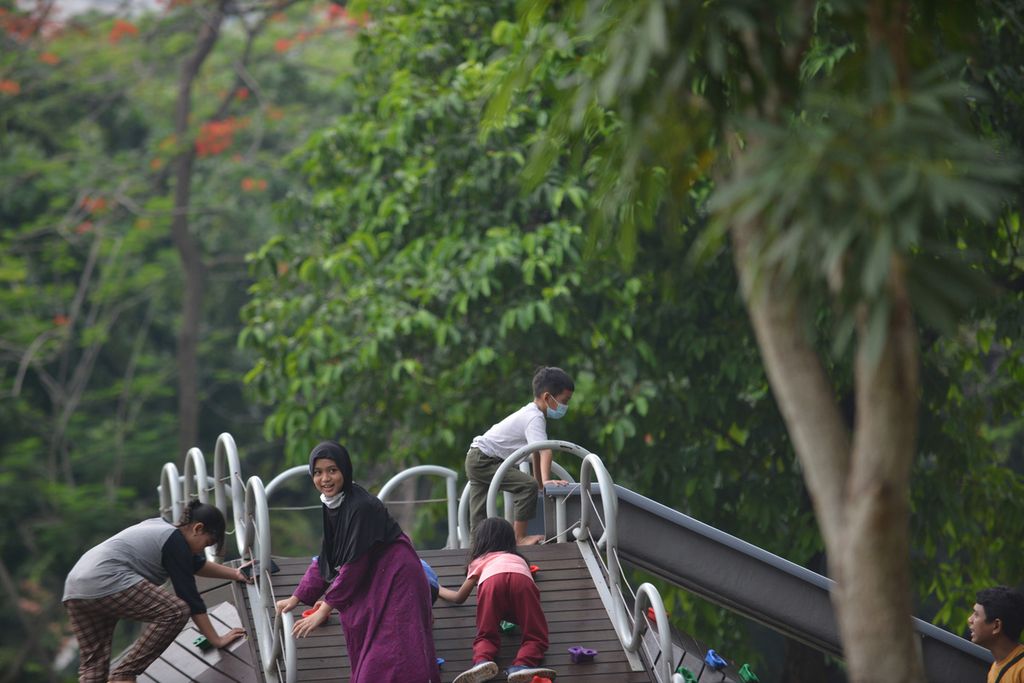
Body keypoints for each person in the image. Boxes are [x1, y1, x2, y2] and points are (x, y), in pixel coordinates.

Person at [275, 440, 440, 683]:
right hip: (375, 578)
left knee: (394, 658)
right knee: (374, 658)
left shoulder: (360, 506)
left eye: (332, 470)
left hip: (397, 579)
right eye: (318, 472)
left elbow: (354, 565)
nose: (325, 479)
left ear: (344, 470)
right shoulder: (335, 503)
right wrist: (296, 597)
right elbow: (329, 558)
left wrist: (326, 608)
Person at [62, 501, 249, 683]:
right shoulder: (174, 541)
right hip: (107, 580)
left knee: (93, 665)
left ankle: (120, 675)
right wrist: (216, 640)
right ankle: (124, 674)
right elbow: (190, 597)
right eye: (206, 543)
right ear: (197, 528)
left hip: (76, 589)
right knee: (175, 612)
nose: (202, 550)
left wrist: (236, 573)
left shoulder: (159, 528)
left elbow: (195, 565)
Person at [438, 517, 556, 683]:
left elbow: (459, 597)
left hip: (491, 581)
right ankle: (522, 664)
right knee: (535, 634)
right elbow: (519, 598)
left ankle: (482, 661)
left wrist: (438, 589)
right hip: (522, 579)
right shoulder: (518, 559)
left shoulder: (480, 561)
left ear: (481, 541)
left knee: (486, 633)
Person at [466, 366, 574, 545]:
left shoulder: (531, 413)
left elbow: (535, 451)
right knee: (526, 486)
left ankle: (474, 553)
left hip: (477, 456)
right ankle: (519, 537)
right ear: (548, 397)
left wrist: (540, 483)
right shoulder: (535, 418)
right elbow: (544, 450)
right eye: (565, 401)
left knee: (478, 517)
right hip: (485, 461)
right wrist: (544, 482)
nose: (566, 406)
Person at [969, 586, 1024, 683]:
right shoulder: (995, 669)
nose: (970, 620)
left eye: (976, 614)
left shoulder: (1021, 669)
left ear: (996, 626)